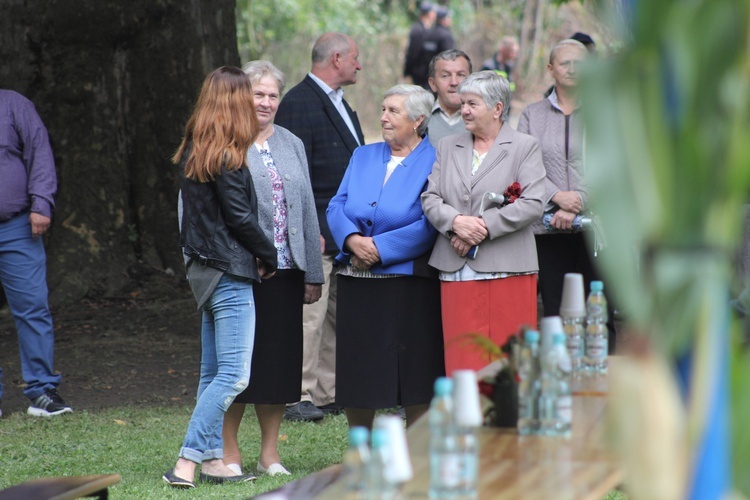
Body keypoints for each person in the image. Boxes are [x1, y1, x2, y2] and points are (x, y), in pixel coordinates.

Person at [163, 66, 278, 489]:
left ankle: (213, 460)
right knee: (233, 375)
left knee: (212, 371)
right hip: (229, 270)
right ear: (234, 101)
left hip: (205, 269)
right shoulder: (227, 154)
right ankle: (187, 462)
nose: (255, 102)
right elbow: (241, 218)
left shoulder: (197, 148)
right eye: (248, 94)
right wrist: (270, 254)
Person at [221, 60, 325, 478]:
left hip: (287, 272)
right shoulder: (225, 143)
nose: (264, 102)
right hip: (242, 274)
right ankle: (228, 450)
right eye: (257, 93)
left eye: (271, 95)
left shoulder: (291, 142)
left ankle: (269, 454)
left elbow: (308, 211)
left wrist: (313, 271)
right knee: (237, 366)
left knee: (279, 366)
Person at [326, 84, 443, 429]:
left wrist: (380, 249)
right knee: (358, 365)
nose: (383, 117)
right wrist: (351, 240)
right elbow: (336, 204)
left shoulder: (436, 159)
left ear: (418, 119)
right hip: (357, 281)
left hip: (408, 282)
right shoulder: (364, 155)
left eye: (393, 111)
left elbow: (430, 220)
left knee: (413, 367)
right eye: (383, 109)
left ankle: (414, 445)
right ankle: (359, 444)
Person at [421, 71, 546, 373]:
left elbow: (533, 203)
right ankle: (466, 418)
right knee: (463, 356)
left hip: (509, 266)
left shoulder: (524, 146)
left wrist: (482, 227)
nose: (463, 110)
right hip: (456, 265)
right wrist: (455, 222)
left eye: (472, 104)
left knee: (510, 359)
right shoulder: (449, 146)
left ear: (497, 108)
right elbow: (430, 198)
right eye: (463, 103)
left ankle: (510, 419)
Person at [274, 32, 365, 422]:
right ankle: (297, 393)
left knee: (333, 316)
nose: (359, 66)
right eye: (356, 58)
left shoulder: (341, 103)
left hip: (344, 232)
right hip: (318, 233)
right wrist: (311, 232)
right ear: (337, 58)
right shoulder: (297, 103)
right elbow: (294, 177)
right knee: (309, 316)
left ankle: (326, 391)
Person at [518, 39, 616, 351]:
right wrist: (557, 196)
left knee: (598, 312)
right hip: (547, 228)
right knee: (555, 311)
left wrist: (578, 201)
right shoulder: (532, 115)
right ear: (550, 69)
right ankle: (559, 385)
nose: (573, 70)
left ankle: (603, 383)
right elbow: (523, 166)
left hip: (598, 228)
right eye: (564, 63)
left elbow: (611, 162)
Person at [0, 90, 72, 418]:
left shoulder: (14, 104)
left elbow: (39, 152)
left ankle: (42, 391)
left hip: (15, 225)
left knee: (33, 307)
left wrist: (41, 202)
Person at [427, 49, 472, 147]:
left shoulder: (483, 119)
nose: (454, 82)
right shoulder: (420, 119)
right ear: (433, 84)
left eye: (461, 75)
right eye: (445, 76)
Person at [420, 7, 456, 91]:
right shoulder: (446, 36)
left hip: (426, 77)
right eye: (448, 17)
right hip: (441, 78)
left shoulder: (428, 33)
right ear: (443, 19)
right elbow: (450, 58)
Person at [403, 1, 436, 89]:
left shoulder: (428, 29)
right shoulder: (417, 30)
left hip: (426, 74)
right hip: (419, 75)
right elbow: (412, 53)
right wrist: (407, 73)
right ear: (429, 14)